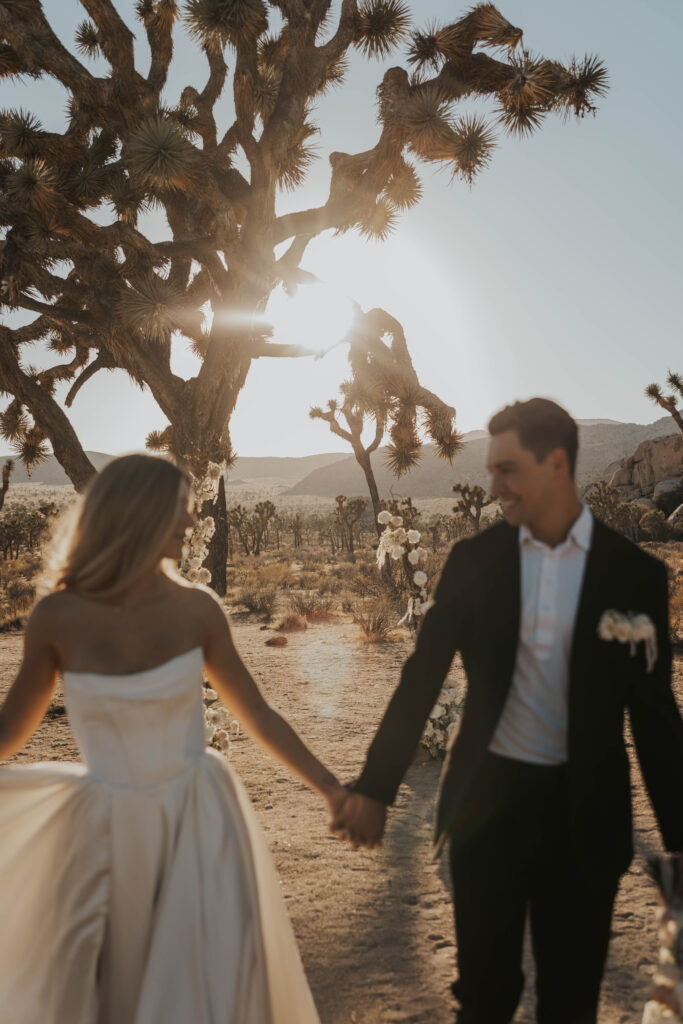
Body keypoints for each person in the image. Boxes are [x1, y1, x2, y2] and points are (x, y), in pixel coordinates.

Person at [332, 397, 683, 1024]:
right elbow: (421, 677)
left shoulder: (634, 578)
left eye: (507, 469)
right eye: (489, 471)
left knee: (569, 1007)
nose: (493, 487)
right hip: (484, 815)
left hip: (586, 825)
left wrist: (682, 851)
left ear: (555, 464)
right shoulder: (473, 561)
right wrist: (376, 787)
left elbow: (656, 721)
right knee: (484, 1001)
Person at [0, 453, 345, 1024]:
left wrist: (330, 789)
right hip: (104, 829)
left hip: (201, 818)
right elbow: (10, 734)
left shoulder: (197, 609)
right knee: (116, 984)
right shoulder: (57, 618)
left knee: (204, 983)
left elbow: (257, 714)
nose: (191, 524)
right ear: (139, 516)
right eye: (180, 512)